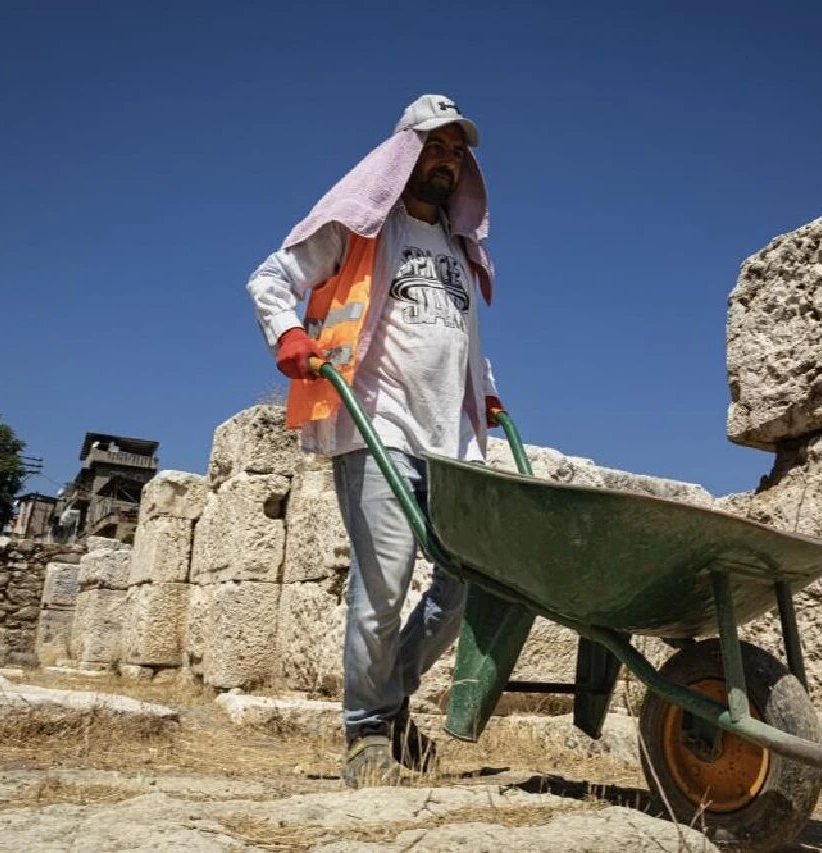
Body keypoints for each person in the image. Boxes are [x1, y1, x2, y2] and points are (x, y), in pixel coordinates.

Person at [247, 94, 506, 788]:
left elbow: (455, 336)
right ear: (404, 155)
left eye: (458, 151)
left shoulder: (457, 247)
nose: (448, 159)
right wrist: (289, 334)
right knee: (382, 588)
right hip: (377, 426)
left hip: (452, 443)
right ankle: (367, 733)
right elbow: (271, 278)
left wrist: (486, 388)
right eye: (435, 146)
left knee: (466, 583)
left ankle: (386, 702)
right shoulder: (361, 229)